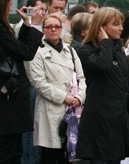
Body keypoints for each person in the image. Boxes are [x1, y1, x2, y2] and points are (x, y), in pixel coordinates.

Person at [76, 7, 129, 163]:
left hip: (118, 119)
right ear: (101, 27)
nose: (121, 28)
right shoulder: (85, 51)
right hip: (99, 120)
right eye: (116, 24)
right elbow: (103, 65)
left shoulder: (119, 51)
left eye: (121, 24)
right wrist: (106, 42)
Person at [0, 0, 43, 163]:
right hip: (9, 92)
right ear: (2, 5)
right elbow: (25, 52)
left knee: (14, 146)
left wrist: (26, 25)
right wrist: (35, 26)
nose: (12, 5)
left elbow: (16, 49)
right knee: (8, 146)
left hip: (8, 89)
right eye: (9, 2)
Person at [28, 14, 86, 163]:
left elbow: (81, 78)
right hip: (50, 108)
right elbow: (39, 82)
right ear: (43, 30)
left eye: (57, 26)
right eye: (49, 27)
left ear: (62, 29)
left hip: (73, 108)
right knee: (50, 153)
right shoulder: (37, 52)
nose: (53, 29)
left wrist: (79, 97)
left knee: (69, 153)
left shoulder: (71, 51)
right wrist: (64, 97)